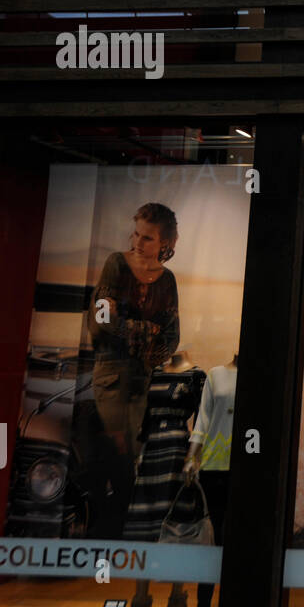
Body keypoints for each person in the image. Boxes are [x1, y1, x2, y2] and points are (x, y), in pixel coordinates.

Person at [87, 203, 180, 511]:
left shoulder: (167, 280)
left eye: (148, 238)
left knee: (134, 450)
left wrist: (129, 329)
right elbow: (101, 320)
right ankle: (114, 520)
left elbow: (171, 336)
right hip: (111, 373)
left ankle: (122, 520)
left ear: (164, 243)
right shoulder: (116, 264)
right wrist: (143, 330)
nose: (138, 243)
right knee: (119, 449)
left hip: (143, 378)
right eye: (136, 234)